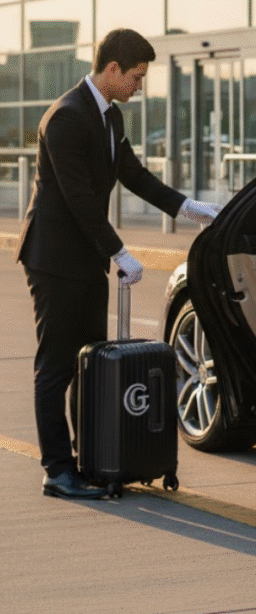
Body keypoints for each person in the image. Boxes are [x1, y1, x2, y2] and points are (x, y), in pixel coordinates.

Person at [16, 28, 222, 499]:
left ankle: (88, 460)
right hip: (54, 259)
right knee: (57, 366)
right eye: (136, 76)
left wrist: (189, 208)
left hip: (86, 257)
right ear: (111, 70)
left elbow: (133, 175)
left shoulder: (110, 118)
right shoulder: (67, 117)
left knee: (89, 363)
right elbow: (79, 199)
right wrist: (119, 251)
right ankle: (57, 470)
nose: (139, 86)